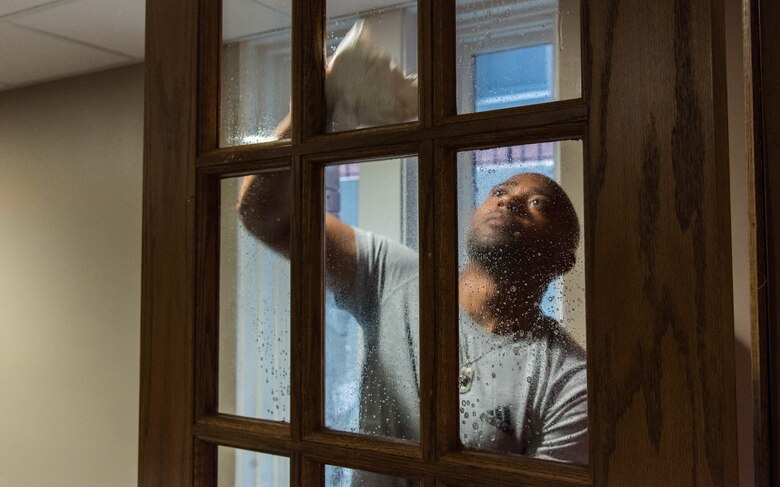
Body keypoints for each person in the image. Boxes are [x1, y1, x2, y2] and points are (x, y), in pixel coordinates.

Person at [238, 169, 588, 465]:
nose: (507, 200)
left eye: (536, 202)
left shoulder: (570, 382)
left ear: (562, 263)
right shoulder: (396, 277)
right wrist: (325, 105)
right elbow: (269, 215)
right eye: (499, 190)